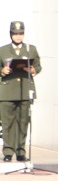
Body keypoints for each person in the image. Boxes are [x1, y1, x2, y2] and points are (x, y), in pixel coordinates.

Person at [0, 21, 41, 162]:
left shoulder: (31, 49)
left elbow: (38, 66)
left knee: (23, 122)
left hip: (24, 89)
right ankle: (8, 151)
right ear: (11, 34)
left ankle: (20, 151)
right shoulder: (2, 50)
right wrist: (2, 70)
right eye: (15, 33)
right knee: (7, 123)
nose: (18, 36)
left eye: (20, 33)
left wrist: (33, 70)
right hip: (7, 90)